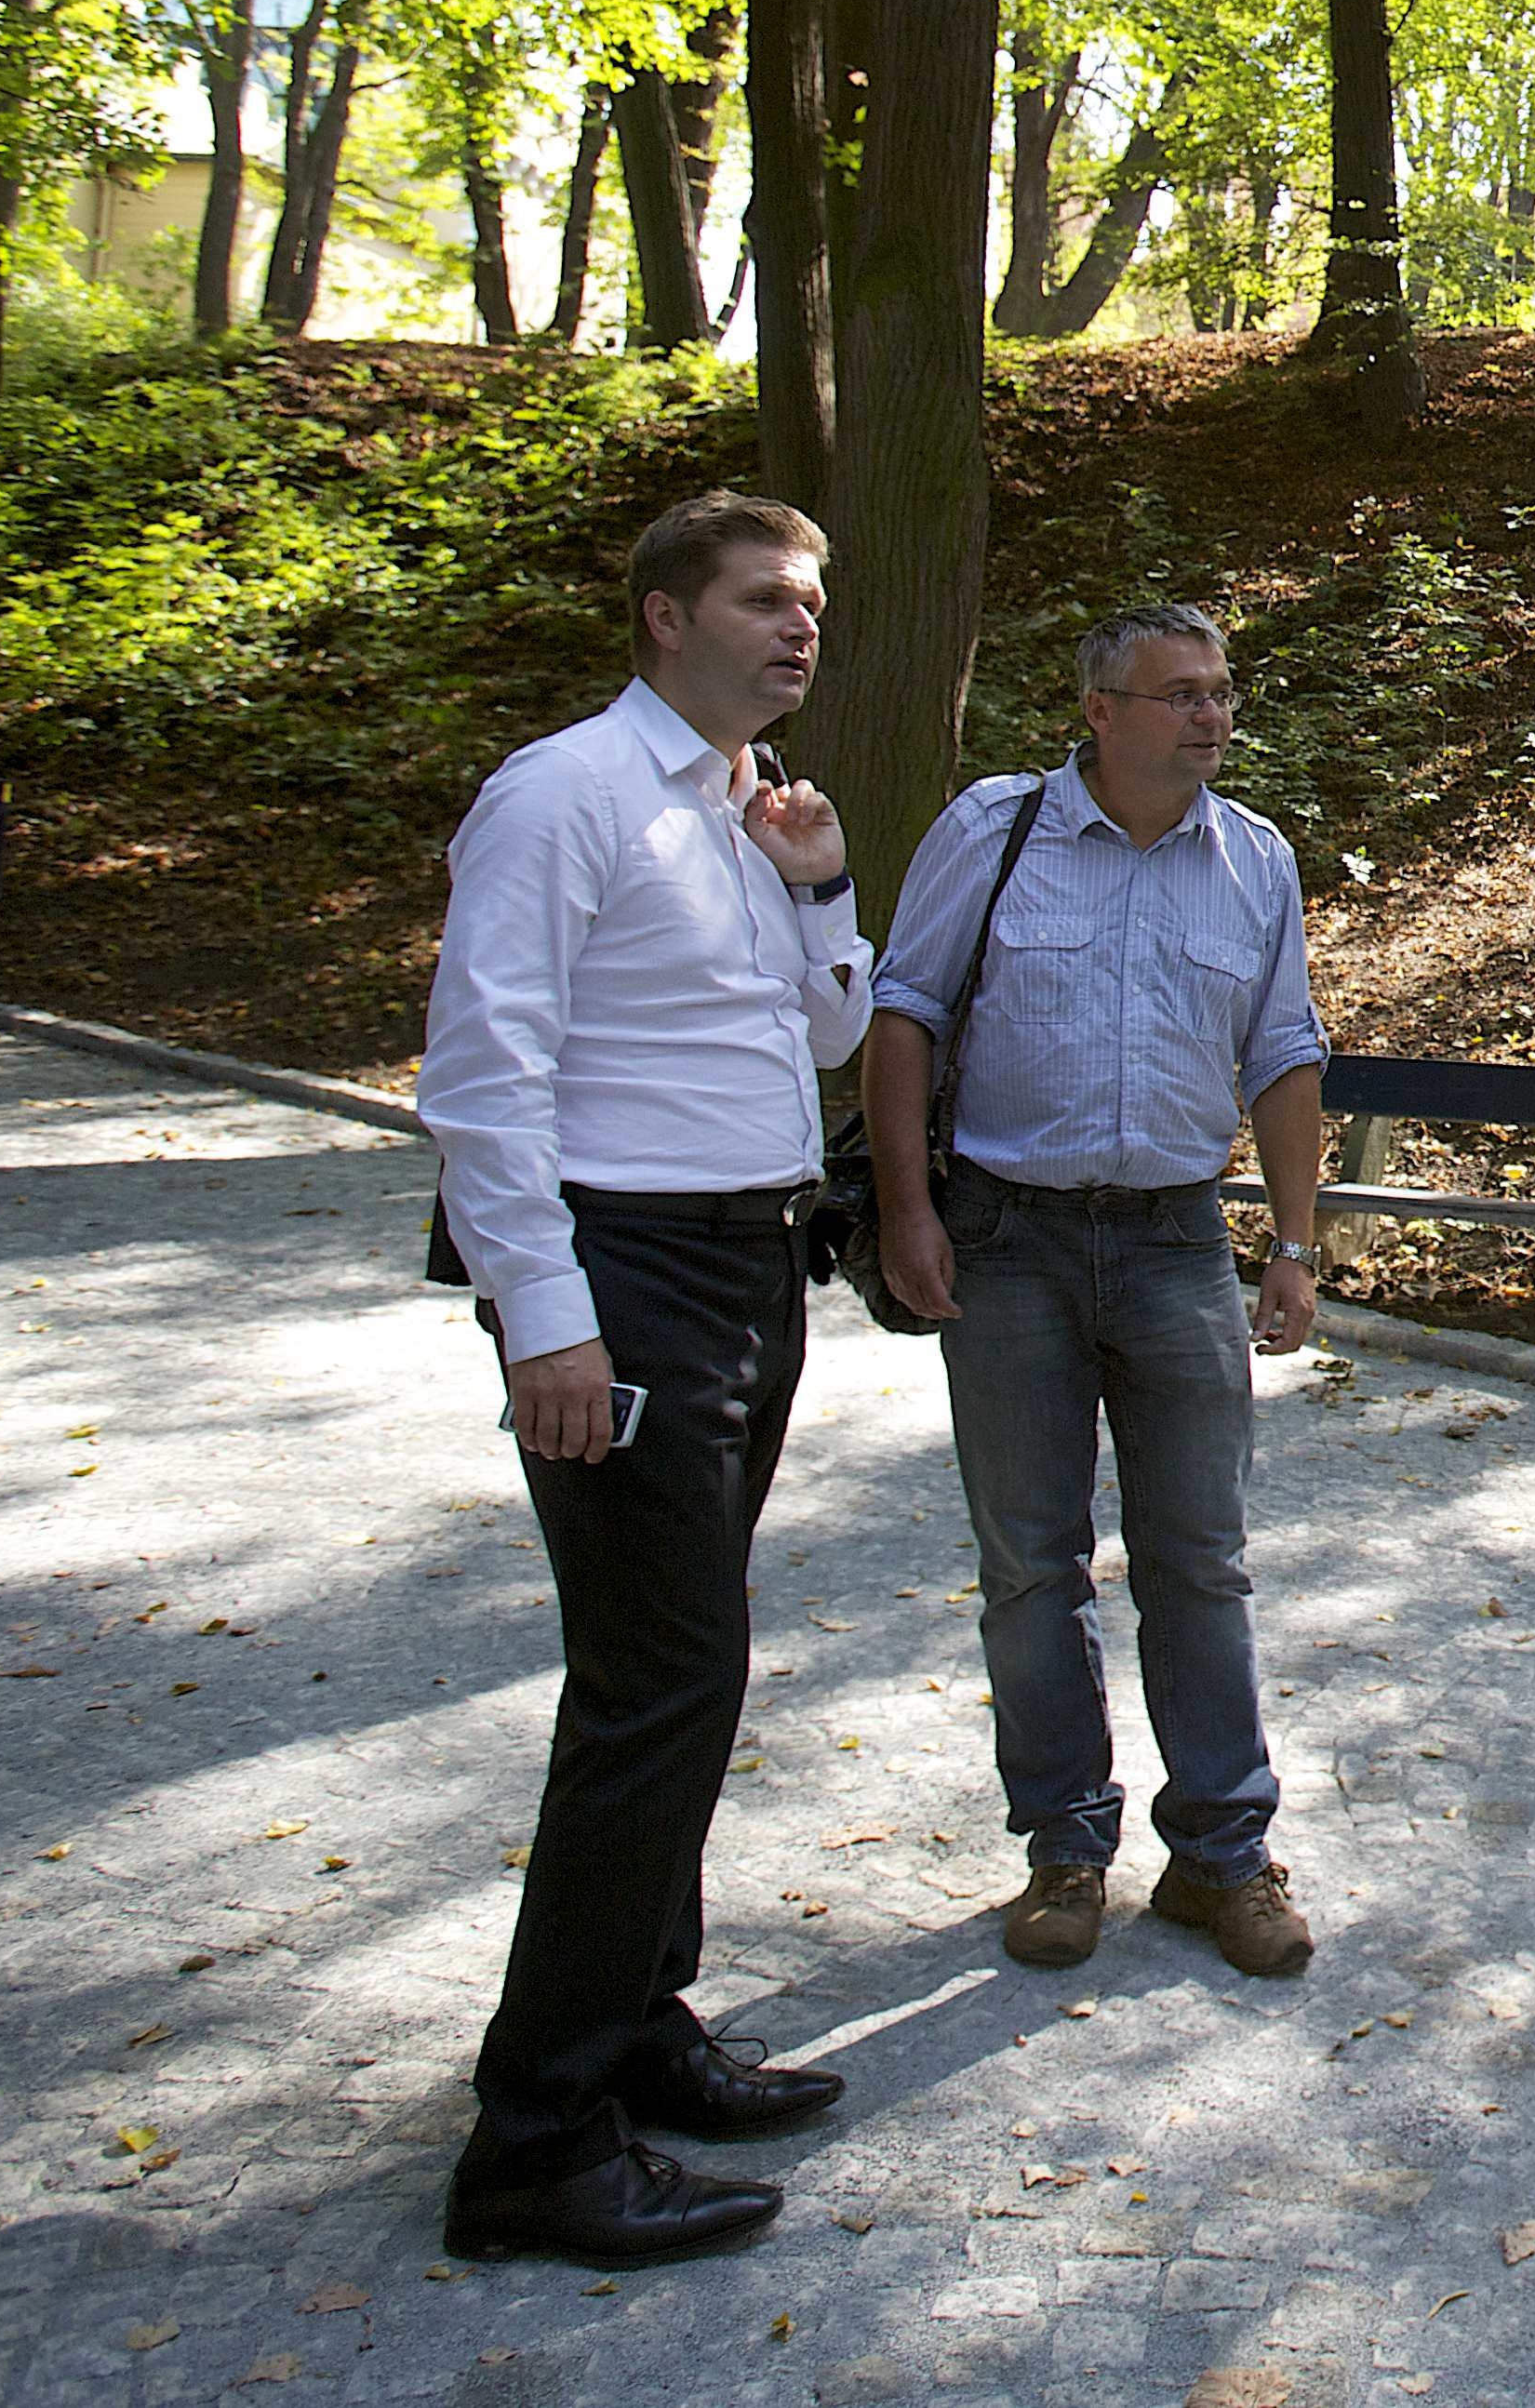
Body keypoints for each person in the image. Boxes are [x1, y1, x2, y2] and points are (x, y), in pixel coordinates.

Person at [417, 491, 874, 2268]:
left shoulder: (744, 815)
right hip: (628, 1277)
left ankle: (634, 2030)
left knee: (684, 1668)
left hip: (752, 1262)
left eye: (813, 600)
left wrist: (821, 883)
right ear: (664, 617)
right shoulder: (565, 795)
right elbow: (481, 1071)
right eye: (765, 596)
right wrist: (546, 1317)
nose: (801, 623)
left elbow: (831, 1034)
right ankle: (534, 2141)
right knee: (656, 1683)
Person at [864, 599, 1330, 1983]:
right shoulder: (994, 832)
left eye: (1221, 691)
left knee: (1202, 1559)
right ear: (1100, 713)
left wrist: (1293, 1245)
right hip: (1007, 1242)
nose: (1209, 715)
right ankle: (1065, 1850)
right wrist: (907, 1213)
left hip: (1180, 1243)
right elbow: (906, 1014)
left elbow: (1286, 1054)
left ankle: (1222, 1859)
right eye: (1178, 692)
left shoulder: (1253, 862)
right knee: (1031, 1564)